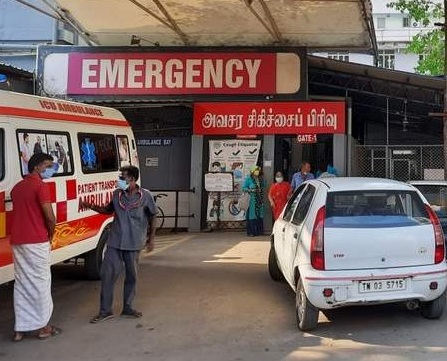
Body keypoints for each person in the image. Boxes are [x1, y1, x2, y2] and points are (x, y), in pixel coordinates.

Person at [81, 165, 158, 324]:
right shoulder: (117, 194)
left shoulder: (146, 196)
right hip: (115, 242)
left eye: (123, 178)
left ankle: (128, 308)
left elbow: (153, 217)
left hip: (134, 242)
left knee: (131, 276)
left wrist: (151, 239)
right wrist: (91, 206)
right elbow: (108, 210)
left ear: (132, 179)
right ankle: (105, 311)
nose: (119, 180)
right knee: (107, 276)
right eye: (120, 177)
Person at [10, 153, 60, 342]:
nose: (50, 169)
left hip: (18, 240)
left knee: (22, 283)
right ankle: (44, 327)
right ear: (37, 167)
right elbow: (49, 216)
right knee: (40, 284)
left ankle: (20, 330)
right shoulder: (40, 186)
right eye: (48, 166)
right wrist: (51, 233)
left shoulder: (17, 188)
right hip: (36, 240)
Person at [242, 165, 266, 236]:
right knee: (251, 216)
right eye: (256, 170)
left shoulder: (260, 179)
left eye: (258, 170)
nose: (257, 172)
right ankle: (251, 232)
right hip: (251, 200)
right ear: (252, 171)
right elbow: (243, 188)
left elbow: (263, 187)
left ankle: (259, 231)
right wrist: (250, 190)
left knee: (260, 216)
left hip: (260, 200)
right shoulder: (248, 179)